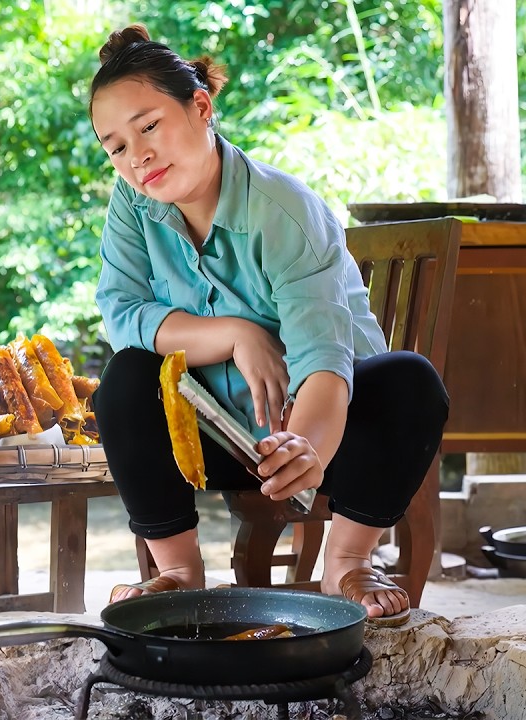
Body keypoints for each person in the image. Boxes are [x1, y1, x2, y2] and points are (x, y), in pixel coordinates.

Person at [88, 25, 448, 625]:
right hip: (220, 435)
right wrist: (235, 332)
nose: (137, 156)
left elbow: (324, 359)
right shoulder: (134, 203)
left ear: (200, 106)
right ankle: (177, 571)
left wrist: (302, 445)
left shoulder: (282, 212)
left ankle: (349, 561)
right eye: (116, 146)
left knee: (411, 380)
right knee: (126, 378)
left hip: (330, 434)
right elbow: (122, 314)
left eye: (148, 126)